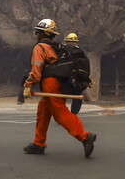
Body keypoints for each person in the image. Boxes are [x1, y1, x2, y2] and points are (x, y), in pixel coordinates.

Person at [22, 19, 96, 157]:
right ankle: (38, 143)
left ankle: (84, 136)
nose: (36, 34)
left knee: (59, 112)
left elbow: (36, 70)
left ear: (42, 33)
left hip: (50, 83)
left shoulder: (40, 47)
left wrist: (28, 85)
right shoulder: (56, 47)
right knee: (43, 111)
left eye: (37, 32)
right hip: (58, 82)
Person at [63, 32, 84, 114]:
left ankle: (66, 114)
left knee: (61, 96)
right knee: (77, 95)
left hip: (64, 76)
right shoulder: (80, 52)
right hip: (73, 77)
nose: (71, 44)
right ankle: (73, 114)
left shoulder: (61, 50)